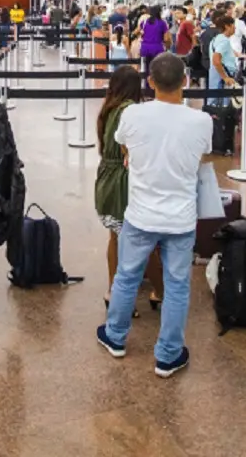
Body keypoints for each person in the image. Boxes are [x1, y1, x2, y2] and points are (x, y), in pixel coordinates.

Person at [97, 53, 215, 378]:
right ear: (186, 82)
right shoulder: (201, 120)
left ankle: (116, 337)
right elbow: (204, 155)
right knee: (177, 285)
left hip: (140, 213)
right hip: (180, 217)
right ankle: (168, 355)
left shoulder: (133, 114)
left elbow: (123, 149)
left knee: (126, 275)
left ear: (150, 82)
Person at [94, 66, 165, 315]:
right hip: (125, 183)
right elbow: (134, 150)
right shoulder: (131, 112)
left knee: (116, 237)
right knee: (145, 240)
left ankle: (114, 291)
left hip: (107, 180)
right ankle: (160, 290)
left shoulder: (108, 108)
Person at [207, 14, 239, 104]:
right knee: (223, 105)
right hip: (223, 77)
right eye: (233, 25)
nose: (235, 28)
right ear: (227, 26)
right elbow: (216, 59)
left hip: (216, 75)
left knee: (215, 102)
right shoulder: (224, 41)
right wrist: (225, 78)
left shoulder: (215, 39)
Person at [138, 5, 170, 74]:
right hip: (157, 47)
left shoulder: (144, 22)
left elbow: (139, 32)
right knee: (157, 68)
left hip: (145, 47)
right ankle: (156, 83)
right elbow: (166, 38)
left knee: (146, 68)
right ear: (160, 12)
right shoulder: (162, 23)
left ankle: (147, 83)